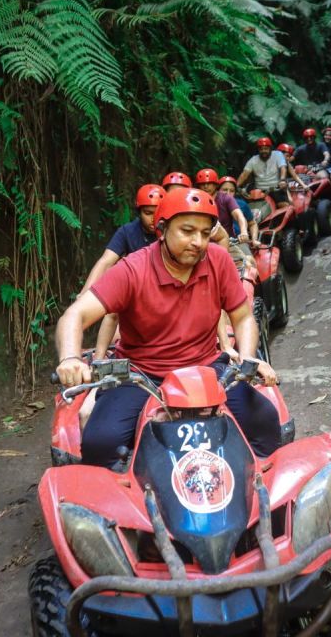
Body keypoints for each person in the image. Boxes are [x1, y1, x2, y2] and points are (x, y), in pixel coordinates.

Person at [55, 187, 280, 468]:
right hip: (141, 374)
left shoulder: (218, 260)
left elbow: (244, 317)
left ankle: (256, 497)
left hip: (207, 367)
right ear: (162, 229)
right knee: (100, 442)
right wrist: (70, 358)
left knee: (265, 421)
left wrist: (247, 357)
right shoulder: (132, 269)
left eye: (205, 232)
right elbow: (74, 315)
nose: (198, 241)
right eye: (187, 231)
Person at [195, 168, 251, 242]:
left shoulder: (226, 198)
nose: (206, 186)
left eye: (209, 183)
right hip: (203, 242)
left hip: (229, 242)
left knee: (246, 254)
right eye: (202, 184)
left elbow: (238, 215)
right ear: (198, 186)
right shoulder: (195, 200)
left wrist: (244, 232)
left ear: (215, 185)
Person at [236, 137, 290, 208]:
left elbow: (283, 168)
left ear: (270, 149)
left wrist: (282, 180)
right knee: (244, 206)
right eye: (261, 149)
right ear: (258, 150)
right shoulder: (253, 160)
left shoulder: (278, 155)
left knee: (284, 206)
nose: (263, 151)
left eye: (266, 149)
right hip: (258, 191)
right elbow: (244, 174)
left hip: (275, 189)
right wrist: (235, 186)